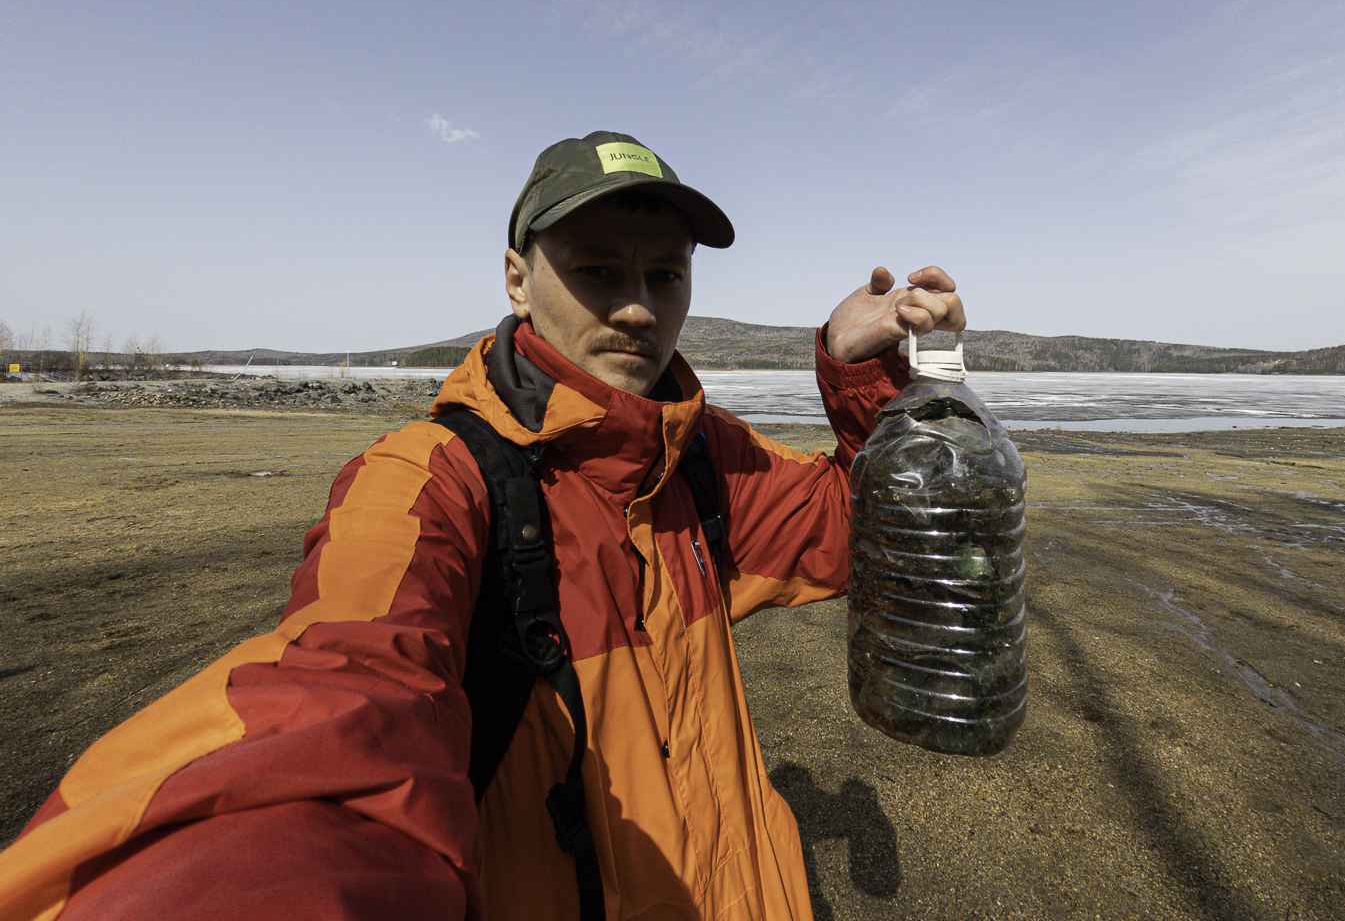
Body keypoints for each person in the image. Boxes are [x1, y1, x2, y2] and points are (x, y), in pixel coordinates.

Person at [0, 131, 964, 921]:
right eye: (595, 270)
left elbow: (860, 530)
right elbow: (337, 701)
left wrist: (855, 371)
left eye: (666, 275)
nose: (636, 307)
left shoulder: (701, 456)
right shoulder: (428, 482)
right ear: (515, 278)